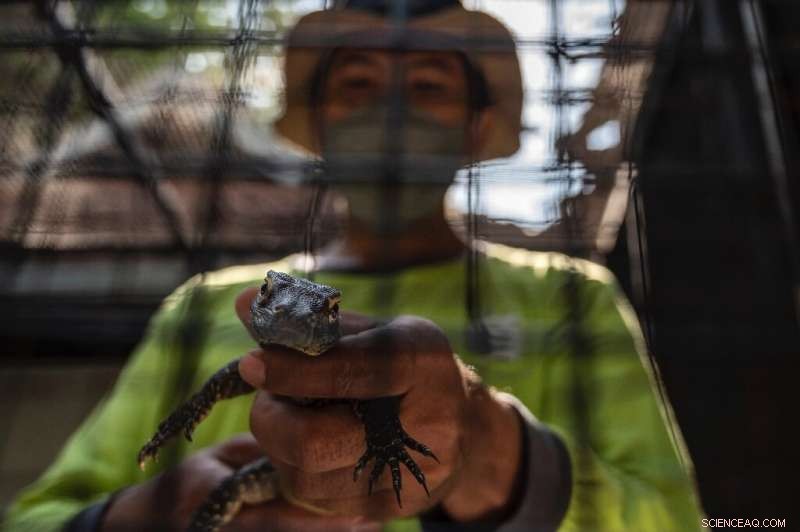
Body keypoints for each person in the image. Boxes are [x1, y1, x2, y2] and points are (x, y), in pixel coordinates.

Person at [4, 1, 704, 531]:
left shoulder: (571, 297)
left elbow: (678, 518)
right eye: (359, 85)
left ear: (476, 127)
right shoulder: (206, 304)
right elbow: (34, 513)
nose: (391, 113)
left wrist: (493, 451)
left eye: (427, 86)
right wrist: (143, 512)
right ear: (321, 123)